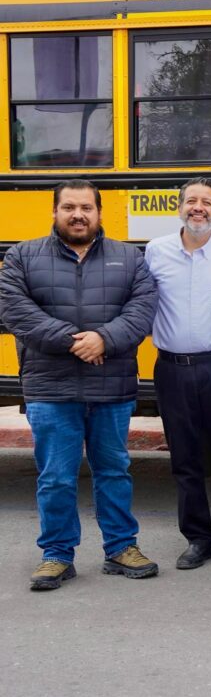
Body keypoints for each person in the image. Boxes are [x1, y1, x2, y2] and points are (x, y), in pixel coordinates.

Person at [1, 179, 159, 590]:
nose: (78, 214)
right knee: (55, 475)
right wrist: (77, 342)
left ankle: (122, 547)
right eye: (69, 207)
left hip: (112, 387)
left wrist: (104, 339)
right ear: (54, 212)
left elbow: (143, 310)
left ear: (99, 213)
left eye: (86, 207)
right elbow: (15, 310)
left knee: (114, 470)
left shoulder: (129, 258)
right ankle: (56, 555)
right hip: (51, 388)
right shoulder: (21, 255)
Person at [143, 177, 211, 571]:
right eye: (191, 201)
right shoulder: (156, 253)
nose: (198, 208)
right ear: (180, 208)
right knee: (184, 458)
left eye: (207, 202)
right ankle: (198, 538)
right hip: (171, 368)